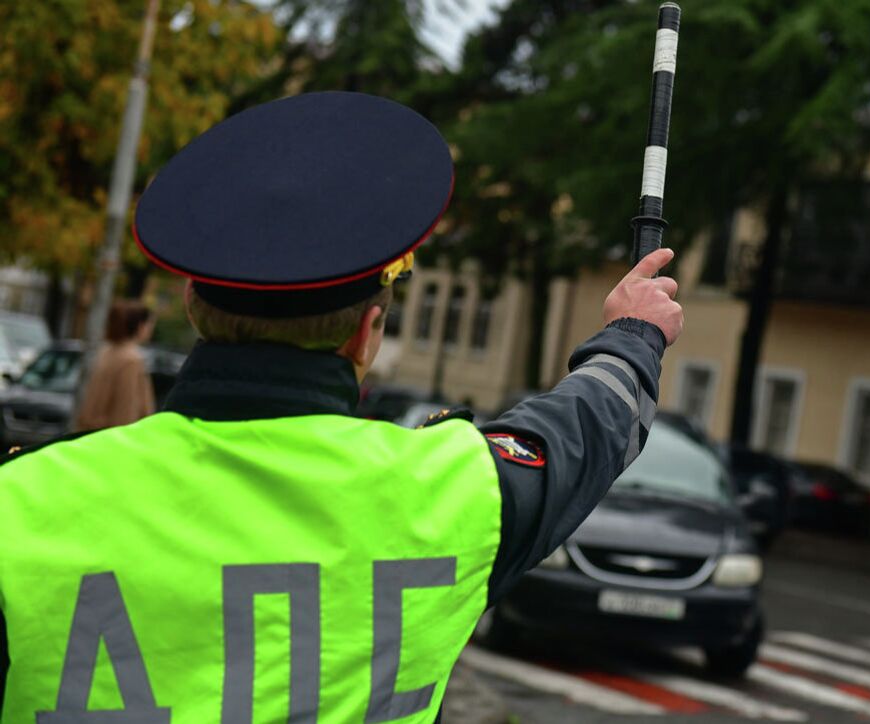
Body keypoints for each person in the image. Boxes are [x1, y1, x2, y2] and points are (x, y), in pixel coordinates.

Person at [0, 92, 682, 721]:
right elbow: (586, 430)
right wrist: (633, 334)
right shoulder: (450, 497)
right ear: (365, 333)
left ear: (191, 303)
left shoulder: (23, 504)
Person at [73, 299, 156, 432]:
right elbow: (126, 409)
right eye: (150, 324)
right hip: (113, 438)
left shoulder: (107, 352)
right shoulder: (131, 360)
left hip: (91, 434)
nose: (151, 329)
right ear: (140, 326)